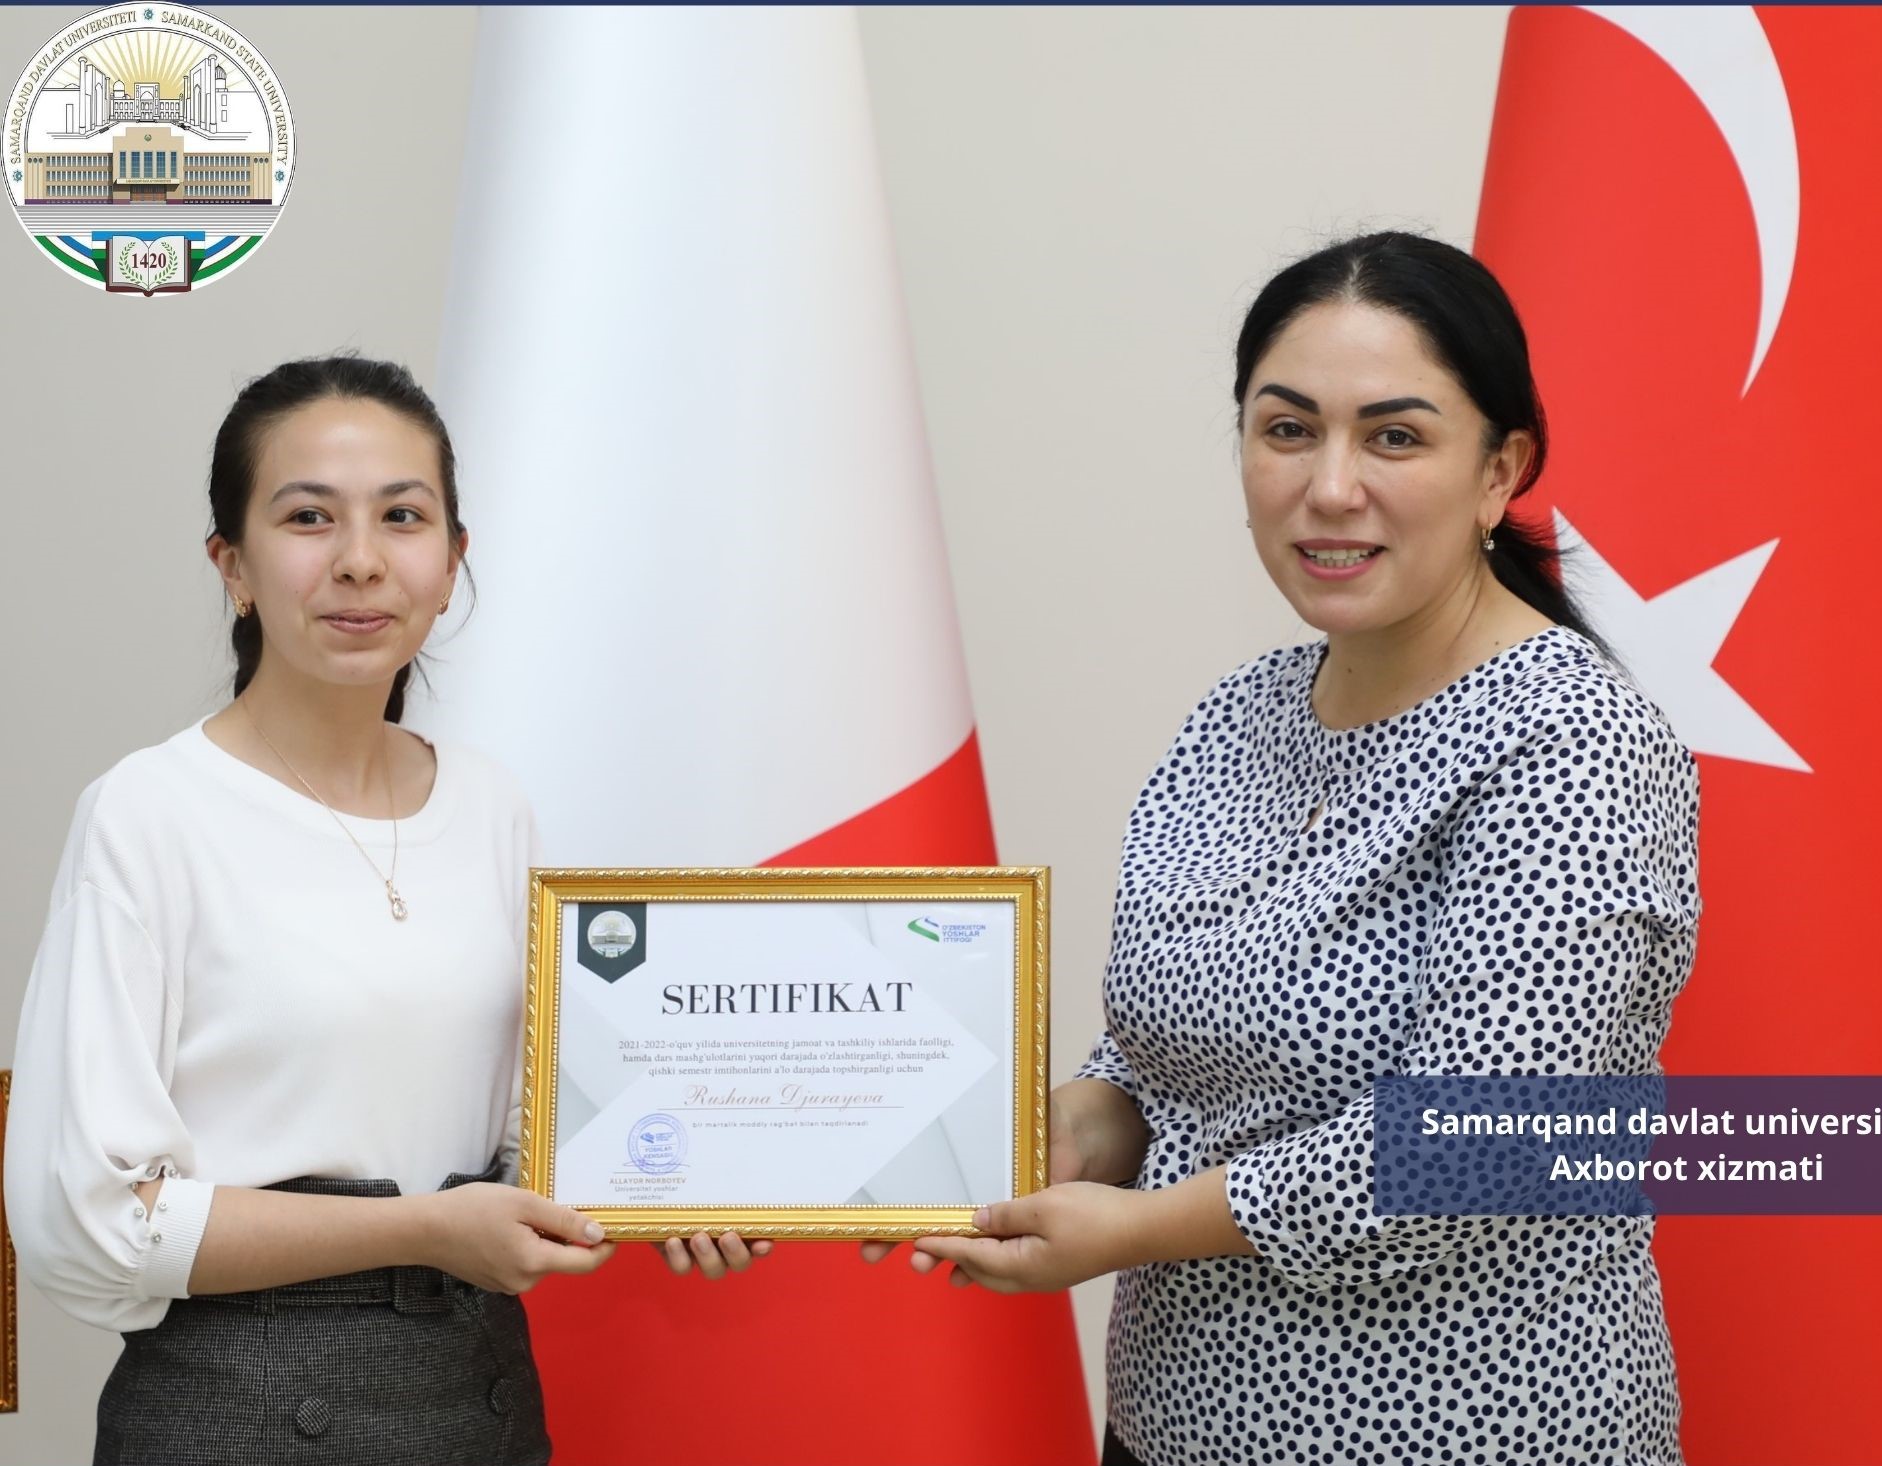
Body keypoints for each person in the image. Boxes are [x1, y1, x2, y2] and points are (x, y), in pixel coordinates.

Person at [877, 233, 1701, 1464]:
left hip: (1464, 1434)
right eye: (1286, 429)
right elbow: (1163, 1057)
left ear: (1500, 469)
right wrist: (1061, 1133)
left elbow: (1470, 1140)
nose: (1328, 486)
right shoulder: (1238, 712)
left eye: (1393, 436)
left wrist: (1129, 1228)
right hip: (1174, 1424)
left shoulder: (1571, 737)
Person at [4, 355, 766, 1466]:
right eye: (308, 517)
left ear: (452, 562)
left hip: (478, 1400)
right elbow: (93, 1217)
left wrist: (672, 1179)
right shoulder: (148, 812)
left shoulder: (491, 805)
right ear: (232, 565)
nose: (360, 560)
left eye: (402, 517)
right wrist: (422, 1228)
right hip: (241, 1411)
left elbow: (529, 1133)